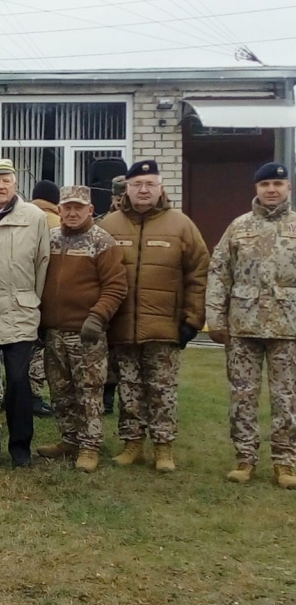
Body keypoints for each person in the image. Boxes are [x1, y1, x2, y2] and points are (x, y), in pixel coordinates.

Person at [101, 160, 209, 472]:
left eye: (150, 184)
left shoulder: (181, 225)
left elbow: (199, 273)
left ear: (160, 187)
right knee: (129, 388)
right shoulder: (110, 225)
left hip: (165, 326)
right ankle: (132, 443)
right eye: (137, 185)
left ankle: (164, 447)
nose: (143, 190)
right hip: (122, 326)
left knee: (162, 390)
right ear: (128, 189)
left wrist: (192, 319)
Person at [207, 163, 296, 489]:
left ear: (287, 187)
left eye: (278, 183)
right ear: (256, 189)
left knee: (287, 398)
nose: (271, 189)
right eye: (265, 184)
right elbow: (218, 273)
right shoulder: (239, 227)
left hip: (288, 329)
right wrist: (215, 319)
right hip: (243, 327)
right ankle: (244, 458)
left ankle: (285, 462)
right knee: (242, 396)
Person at [35, 186, 127, 472]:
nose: (73, 213)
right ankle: (69, 440)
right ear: (59, 210)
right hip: (54, 332)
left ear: (90, 210)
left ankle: (90, 446)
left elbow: (116, 285)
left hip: (86, 333)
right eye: (68, 207)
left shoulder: (102, 241)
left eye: (79, 207)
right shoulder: (50, 239)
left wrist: (97, 317)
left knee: (88, 390)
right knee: (60, 391)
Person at [0, 158, 51, 468]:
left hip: (20, 312)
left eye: (6, 179)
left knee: (19, 382)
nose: (1, 185)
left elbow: (42, 264)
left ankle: (20, 449)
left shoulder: (34, 217)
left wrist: (32, 300)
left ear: (15, 183)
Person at [26, 179, 61, 418]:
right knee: (38, 351)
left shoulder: (26, 217)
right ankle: (34, 396)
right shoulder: (58, 223)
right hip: (50, 297)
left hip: (23, 294)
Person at [98, 174, 128, 416]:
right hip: (105, 298)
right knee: (107, 352)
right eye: (119, 197)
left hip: (133, 299)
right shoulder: (103, 224)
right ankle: (106, 397)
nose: (122, 201)